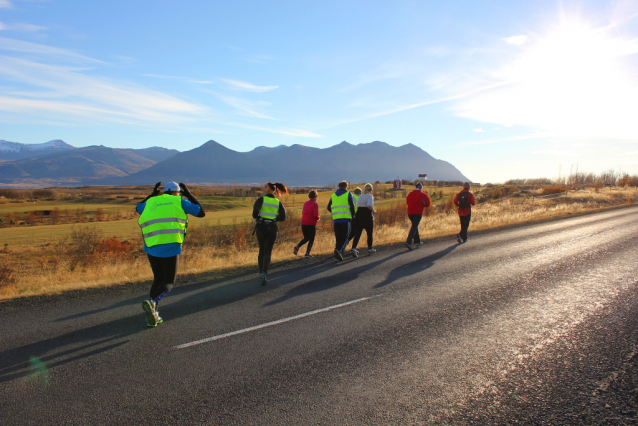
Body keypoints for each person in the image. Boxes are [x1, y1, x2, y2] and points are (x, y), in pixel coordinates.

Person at [136, 181, 205, 327]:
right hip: (170, 246)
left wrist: (152, 194)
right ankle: (152, 302)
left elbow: (138, 208)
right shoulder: (179, 201)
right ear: (177, 192)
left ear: (163, 192)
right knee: (168, 282)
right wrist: (189, 194)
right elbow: (201, 212)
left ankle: (153, 314)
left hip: (151, 245)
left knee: (158, 279)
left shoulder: (152, 201)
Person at [252, 182, 288, 285]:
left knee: (261, 251)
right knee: (268, 252)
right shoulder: (277, 202)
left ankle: (261, 273)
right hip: (272, 228)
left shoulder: (261, 200)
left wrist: (259, 218)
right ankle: (264, 272)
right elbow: (283, 217)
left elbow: (254, 213)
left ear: (266, 190)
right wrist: (274, 219)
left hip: (261, 227)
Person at [327, 180, 356, 261]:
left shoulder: (333, 195)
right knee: (346, 236)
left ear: (339, 187)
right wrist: (353, 216)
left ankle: (337, 255)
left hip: (336, 219)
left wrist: (335, 213)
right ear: (346, 187)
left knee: (338, 237)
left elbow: (328, 207)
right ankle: (339, 250)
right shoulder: (348, 194)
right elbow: (352, 206)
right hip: (346, 218)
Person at [349, 183, 377, 256]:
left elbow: (358, 207)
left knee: (358, 233)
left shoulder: (360, 196)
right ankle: (370, 248)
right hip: (367, 215)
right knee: (369, 233)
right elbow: (369, 205)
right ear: (370, 190)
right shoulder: (370, 196)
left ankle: (353, 248)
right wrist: (373, 211)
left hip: (359, 215)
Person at [293, 190, 320, 258]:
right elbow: (315, 215)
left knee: (306, 238)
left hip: (304, 222)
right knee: (311, 239)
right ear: (315, 196)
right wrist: (318, 218)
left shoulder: (305, 203)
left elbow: (303, 212)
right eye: (317, 196)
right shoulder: (315, 204)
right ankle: (307, 253)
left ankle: (298, 246)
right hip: (311, 223)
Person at [405, 182, 431, 250]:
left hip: (410, 212)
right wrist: (422, 205)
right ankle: (408, 241)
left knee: (415, 226)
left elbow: (407, 202)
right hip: (418, 212)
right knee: (414, 227)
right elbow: (427, 203)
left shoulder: (410, 194)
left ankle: (417, 241)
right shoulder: (422, 194)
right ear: (421, 187)